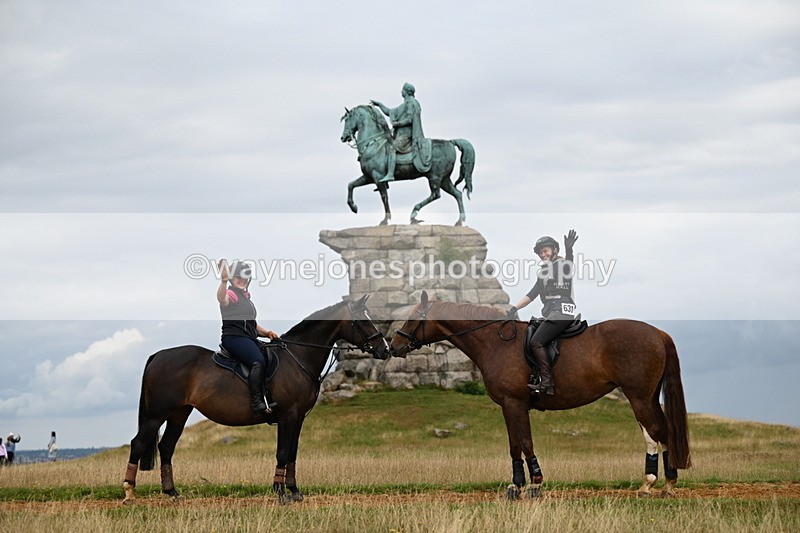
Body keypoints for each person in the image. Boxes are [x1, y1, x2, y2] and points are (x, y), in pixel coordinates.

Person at [508, 230, 579, 395]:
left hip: (561, 311)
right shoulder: (543, 273)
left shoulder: (562, 265)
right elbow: (531, 295)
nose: (542, 254)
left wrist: (569, 250)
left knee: (536, 342)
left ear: (554, 250)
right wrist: (514, 308)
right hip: (550, 312)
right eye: (540, 252)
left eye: (546, 250)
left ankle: (547, 383)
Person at [218, 260, 280, 414]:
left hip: (248, 338)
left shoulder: (246, 298)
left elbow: (252, 324)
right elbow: (221, 299)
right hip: (234, 338)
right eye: (238, 277)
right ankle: (256, 402)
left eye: (245, 278)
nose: (242, 280)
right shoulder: (231, 294)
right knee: (257, 361)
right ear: (232, 279)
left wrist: (267, 333)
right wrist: (223, 281)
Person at [370, 82, 430, 184]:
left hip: (407, 135)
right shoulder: (404, 105)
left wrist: (397, 124)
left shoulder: (411, 103)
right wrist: (380, 105)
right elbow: (390, 112)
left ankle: (390, 174)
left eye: (402, 90)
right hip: (401, 134)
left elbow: (410, 119)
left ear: (406, 91)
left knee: (392, 148)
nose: (401, 91)